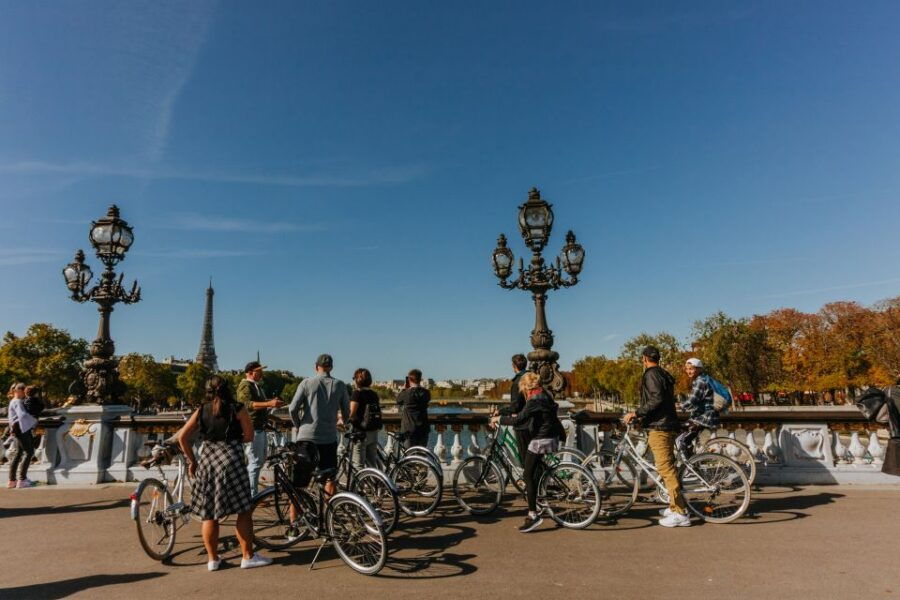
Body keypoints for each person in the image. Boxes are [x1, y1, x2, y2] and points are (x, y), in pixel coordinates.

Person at [179, 375, 272, 571]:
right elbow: (249, 436)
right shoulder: (237, 408)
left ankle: (213, 559)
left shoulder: (201, 410)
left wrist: (193, 461)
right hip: (232, 459)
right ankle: (247, 556)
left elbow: (183, 438)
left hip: (208, 461)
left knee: (209, 514)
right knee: (243, 510)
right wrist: (233, 439)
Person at [623, 346, 690, 527]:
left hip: (660, 427)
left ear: (644, 359)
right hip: (667, 423)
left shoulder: (651, 374)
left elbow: (656, 398)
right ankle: (674, 504)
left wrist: (636, 413)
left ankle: (680, 513)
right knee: (667, 468)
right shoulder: (662, 373)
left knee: (666, 469)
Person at [490, 372, 564, 533]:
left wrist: (499, 419)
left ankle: (533, 514)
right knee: (535, 469)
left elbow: (519, 419)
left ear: (526, 387)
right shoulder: (545, 394)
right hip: (552, 436)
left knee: (527, 475)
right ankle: (537, 499)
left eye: (523, 389)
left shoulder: (534, 400)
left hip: (541, 439)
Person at [289, 354, 350, 497]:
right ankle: (328, 513)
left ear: (316, 367)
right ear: (331, 367)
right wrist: (343, 421)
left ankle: (294, 518)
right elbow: (346, 411)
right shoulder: (340, 385)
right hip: (328, 437)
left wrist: (299, 425)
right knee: (330, 478)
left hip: (306, 437)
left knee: (299, 483)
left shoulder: (306, 383)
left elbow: (292, 408)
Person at [237, 361, 284, 496]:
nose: (261, 374)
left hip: (259, 429)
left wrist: (271, 405)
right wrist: (269, 403)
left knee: (259, 460)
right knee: (255, 462)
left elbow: (258, 404)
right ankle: (252, 495)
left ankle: (249, 490)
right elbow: (245, 404)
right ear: (250, 373)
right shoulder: (245, 385)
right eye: (259, 371)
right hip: (252, 429)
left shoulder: (256, 386)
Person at [677, 358, 720, 458]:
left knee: (682, 440)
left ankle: (689, 465)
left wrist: (680, 406)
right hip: (705, 415)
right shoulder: (703, 379)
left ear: (699, 369)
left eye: (691, 369)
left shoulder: (700, 381)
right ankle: (691, 461)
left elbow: (693, 400)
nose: (688, 371)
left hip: (704, 417)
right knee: (686, 438)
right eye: (687, 369)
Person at [497, 354, 529, 465]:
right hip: (532, 421)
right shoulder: (530, 378)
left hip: (523, 422)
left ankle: (531, 481)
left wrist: (500, 411)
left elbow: (515, 406)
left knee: (525, 458)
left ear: (514, 366)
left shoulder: (518, 382)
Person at [348, 368, 382, 470]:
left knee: (358, 464)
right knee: (372, 463)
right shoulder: (374, 394)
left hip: (360, 432)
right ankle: (375, 483)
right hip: (373, 430)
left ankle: (358, 485)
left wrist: (341, 418)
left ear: (357, 380)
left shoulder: (357, 393)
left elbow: (351, 414)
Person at [7, 383, 37, 488]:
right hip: (22, 429)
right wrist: (34, 420)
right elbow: (22, 415)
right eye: (23, 390)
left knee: (18, 453)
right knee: (29, 452)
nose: (25, 393)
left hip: (16, 430)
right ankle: (22, 479)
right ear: (18, 391)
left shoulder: (13, 401)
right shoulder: (17, 401)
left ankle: (12, 480)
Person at [396, 369, 431, 449]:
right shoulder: (426, 393)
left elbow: (398, 400)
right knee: (421, 455)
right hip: (423, 429)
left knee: (409, 455)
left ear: (409, 379)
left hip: (409, 429)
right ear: (420, 379)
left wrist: (404, 389)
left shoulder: (406, 393)